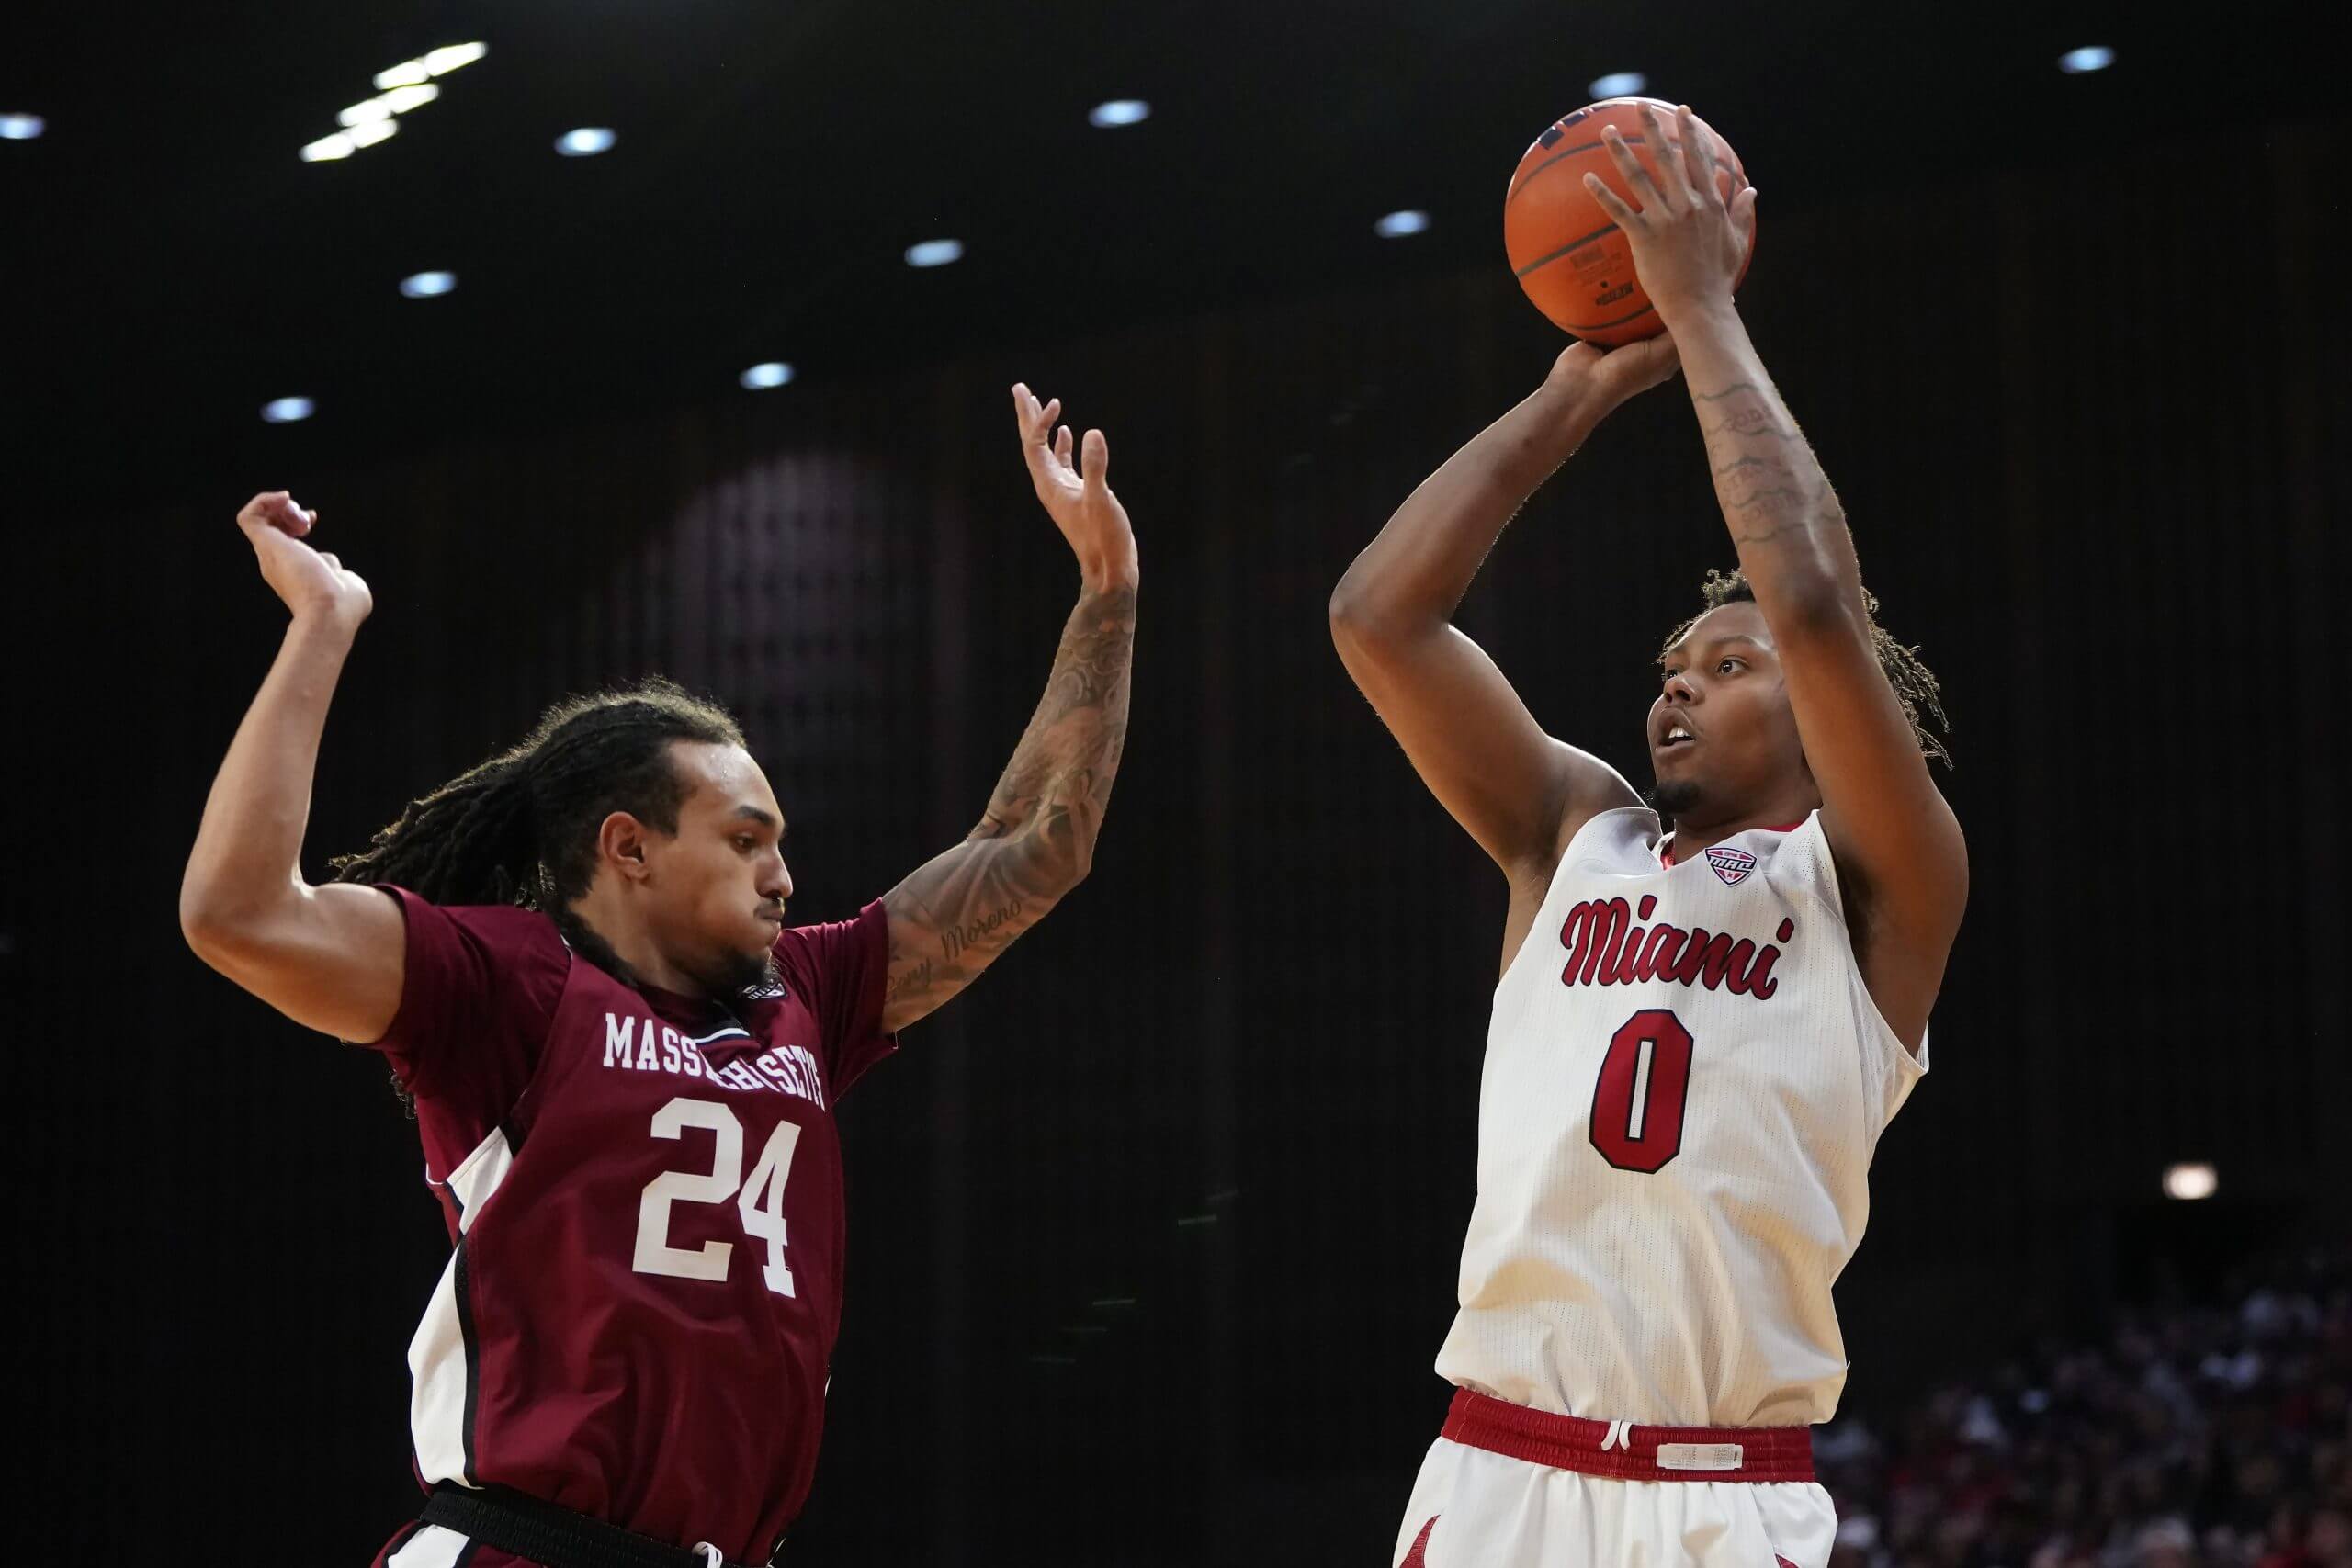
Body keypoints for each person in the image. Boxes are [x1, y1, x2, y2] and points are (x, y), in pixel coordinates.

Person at [178, 385, 1139, 1568]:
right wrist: (322, 623)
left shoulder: (808, 997)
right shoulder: (503, 985)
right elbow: (237, 912)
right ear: (627, 846)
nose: (785, 876)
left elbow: (1040, 843)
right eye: (746, 841)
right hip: (518, 1546)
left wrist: (1108, 594)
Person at [1329, 105, 1966, 1568]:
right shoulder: (1576, 838)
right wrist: (1576, 394)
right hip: (1497, 1469)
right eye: (1674, 662)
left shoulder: (1882, 885)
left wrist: (1699, 307)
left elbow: (1810, 601)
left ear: (1824, 711)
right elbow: (1379, 617)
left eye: (1726, 667)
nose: (1679, 678)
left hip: (1720, 1497)